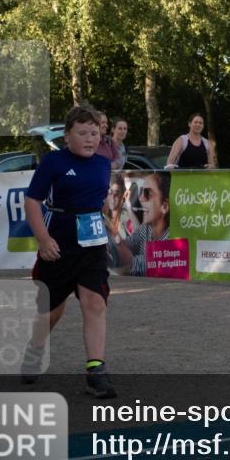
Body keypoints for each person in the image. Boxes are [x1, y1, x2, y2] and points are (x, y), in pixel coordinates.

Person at [21, 105, 116, 399]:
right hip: (58, 245)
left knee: (95, 302)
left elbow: (99, 201)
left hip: (92, 247)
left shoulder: (103, 164)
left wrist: (107, 226)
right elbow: (32, 202)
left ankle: (96, 371)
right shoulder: (53, 161)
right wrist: (44, 239)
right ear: (67, 136)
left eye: (95, 133)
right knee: (50, 310)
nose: (90, 139)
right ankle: (36, 348)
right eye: (83, 133)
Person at [112, 171, 171, 276]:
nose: (140, 198)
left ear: (164, 206)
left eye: (148, 193)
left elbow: (131, 265)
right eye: (141, 192)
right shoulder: (147, 228)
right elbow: (129, 244)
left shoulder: (172, 239)